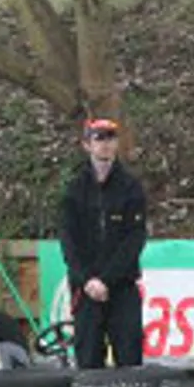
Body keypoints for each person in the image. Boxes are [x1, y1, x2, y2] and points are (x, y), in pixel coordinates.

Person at [58, 116, 148, 369]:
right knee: (88, 361)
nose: (105, 144)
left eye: (110, 138)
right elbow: (68, 240)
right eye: (99, 138)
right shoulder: (75, 189)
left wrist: (107, 280)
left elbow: (135, 238)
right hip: (85, 289)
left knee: (130, 360)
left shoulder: (131, 187)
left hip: (121, 286)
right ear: (87, 145)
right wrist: (87, 280)